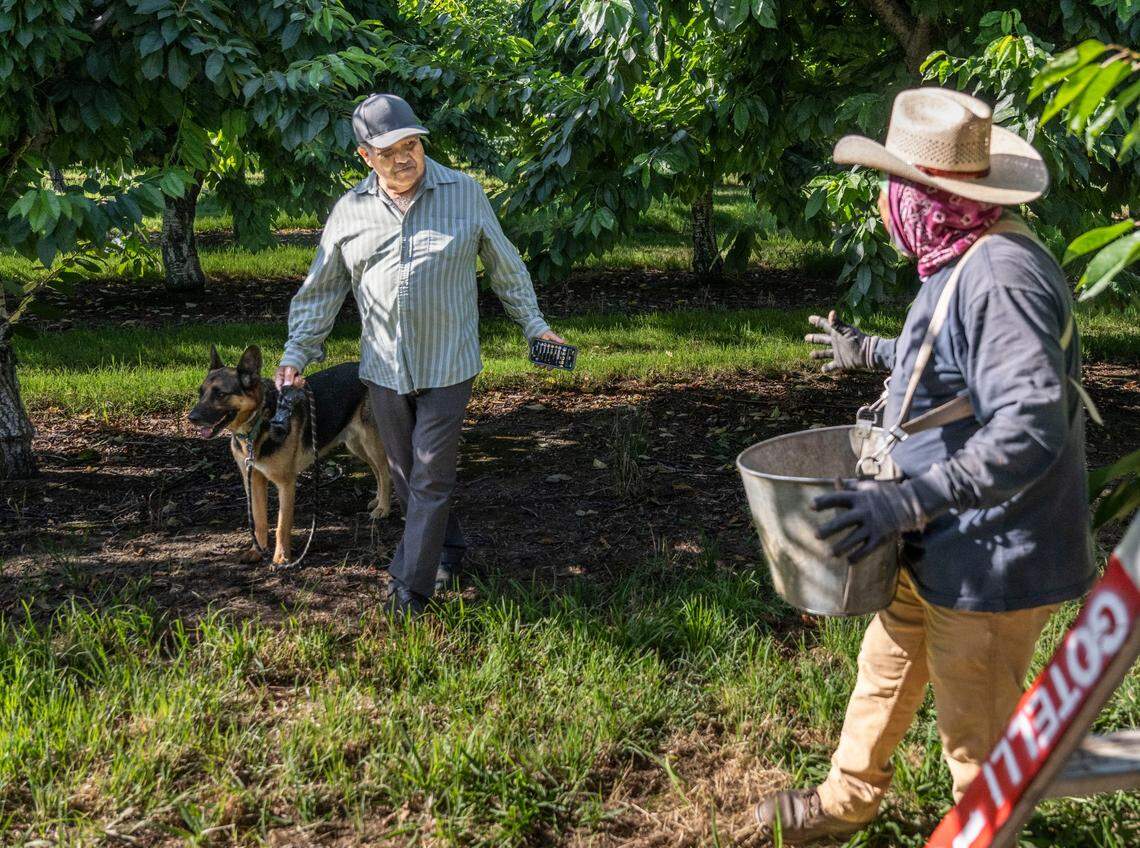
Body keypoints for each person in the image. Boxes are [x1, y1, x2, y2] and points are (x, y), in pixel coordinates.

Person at [753, 87, 1095, 842]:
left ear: (925, 196)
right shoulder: (966, 254)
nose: (884, 203)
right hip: (943, 538)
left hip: (990, 560)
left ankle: (984, 833)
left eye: (892, 185)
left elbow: (1029, 425)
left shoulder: (1000, 275)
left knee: (977, 744)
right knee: (885, 672)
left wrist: (902, 504)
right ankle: (846, 803)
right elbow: (957, 365)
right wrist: (873, 352)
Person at [275, 93, 566, 616]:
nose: (404, 157)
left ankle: (409, 589)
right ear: (365, 156)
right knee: (409, 477)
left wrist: (536, 328)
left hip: (449, 364)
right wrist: (298, 354)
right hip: (383, 370)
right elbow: (321, 291)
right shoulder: (349, 212)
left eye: (411, 144)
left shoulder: (465, 192)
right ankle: (449, 548)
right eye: (389, 151)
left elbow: (506, 267)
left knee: (430, 473)